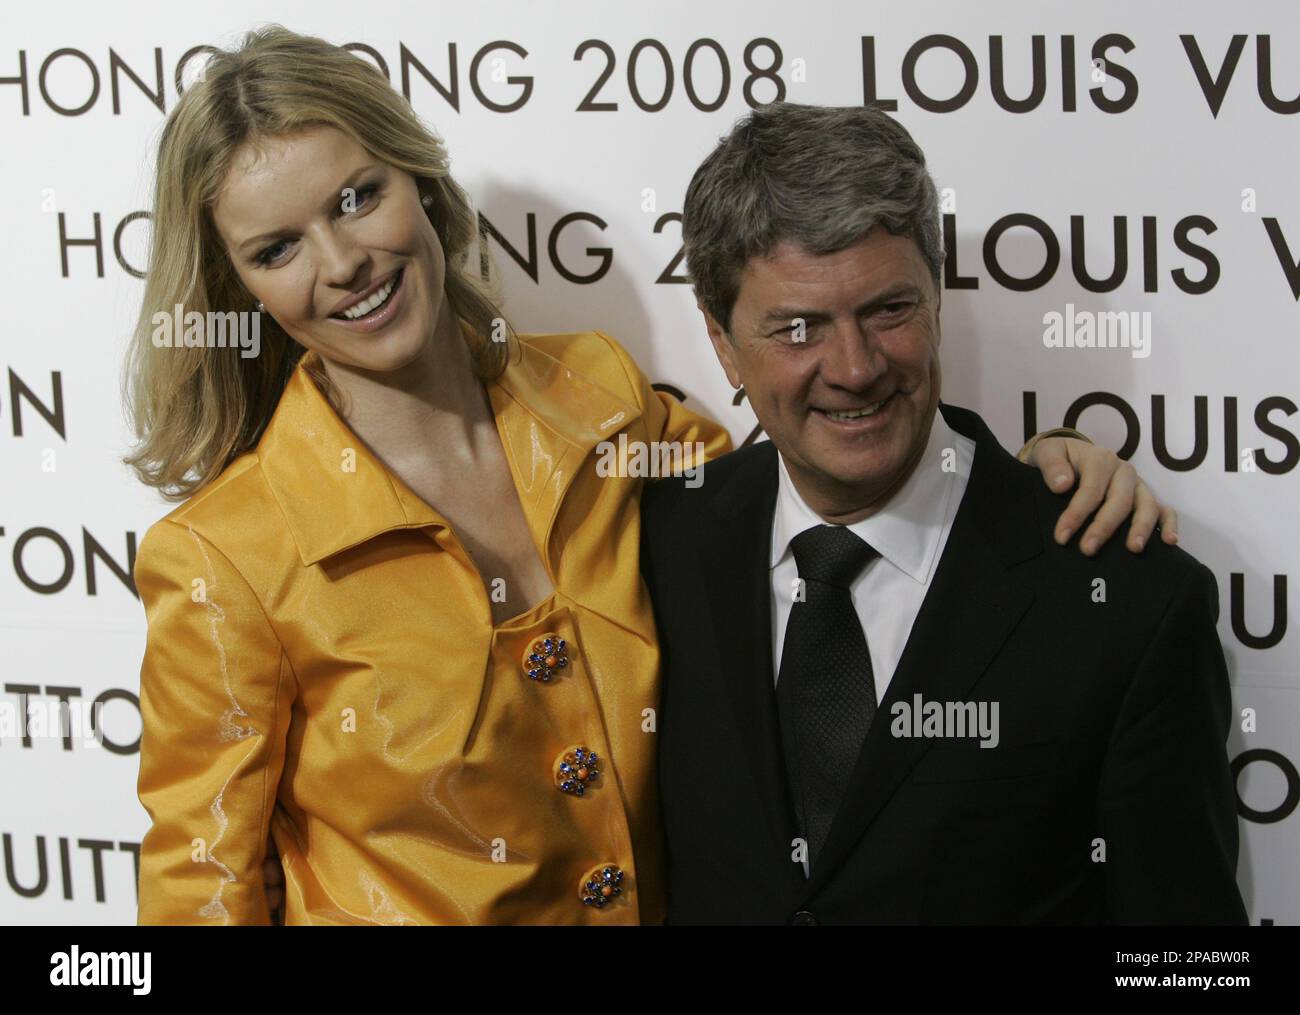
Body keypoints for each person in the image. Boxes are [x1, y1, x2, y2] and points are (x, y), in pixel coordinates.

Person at [127, 26, 1176, 925]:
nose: (343, 259)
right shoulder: (227, 557)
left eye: (358, 196)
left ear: (420, 183)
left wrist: (1019, 480)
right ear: (240, 289)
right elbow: (201, 889)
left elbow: (818, 454)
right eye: (277, 248)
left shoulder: (600, 399)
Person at [641, 101, 1247, 925]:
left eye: (889, 309)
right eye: (798, 327)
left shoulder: (1126, 602)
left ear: (936, 296)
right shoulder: (652, 550)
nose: (854, 368)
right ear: (720, 343)